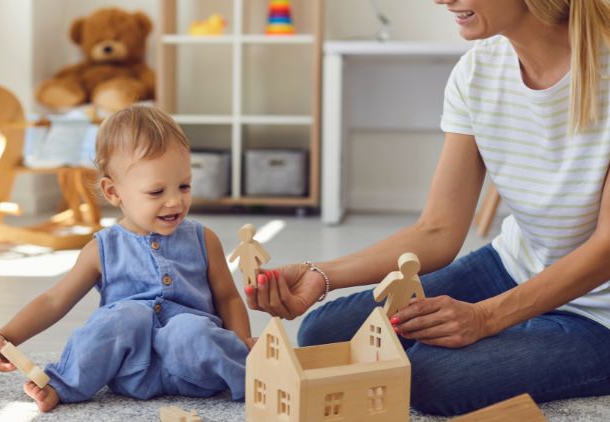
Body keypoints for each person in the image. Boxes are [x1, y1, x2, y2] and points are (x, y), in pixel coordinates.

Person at [246, 0, 610, 416]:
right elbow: (437, 230)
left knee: (427, 376)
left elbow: (606, 248)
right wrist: (320, 275)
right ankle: (526, 328)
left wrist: (487, 319)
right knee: (326, 335)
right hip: (514, 266)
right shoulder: (477, 72)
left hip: (600, 313)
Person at [0, 105, 253, 412]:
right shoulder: (102, 248)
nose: (175, 200)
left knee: (189, 328)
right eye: (156, 191)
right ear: (113, 192)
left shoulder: (204, 239)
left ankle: (253, 378)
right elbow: (54, 300)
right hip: (130, 371)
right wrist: (7, 336)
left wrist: (241, 342)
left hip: (196, 367)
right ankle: (63, 385)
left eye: (184, 186)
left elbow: (228, 298)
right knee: (123, 316)